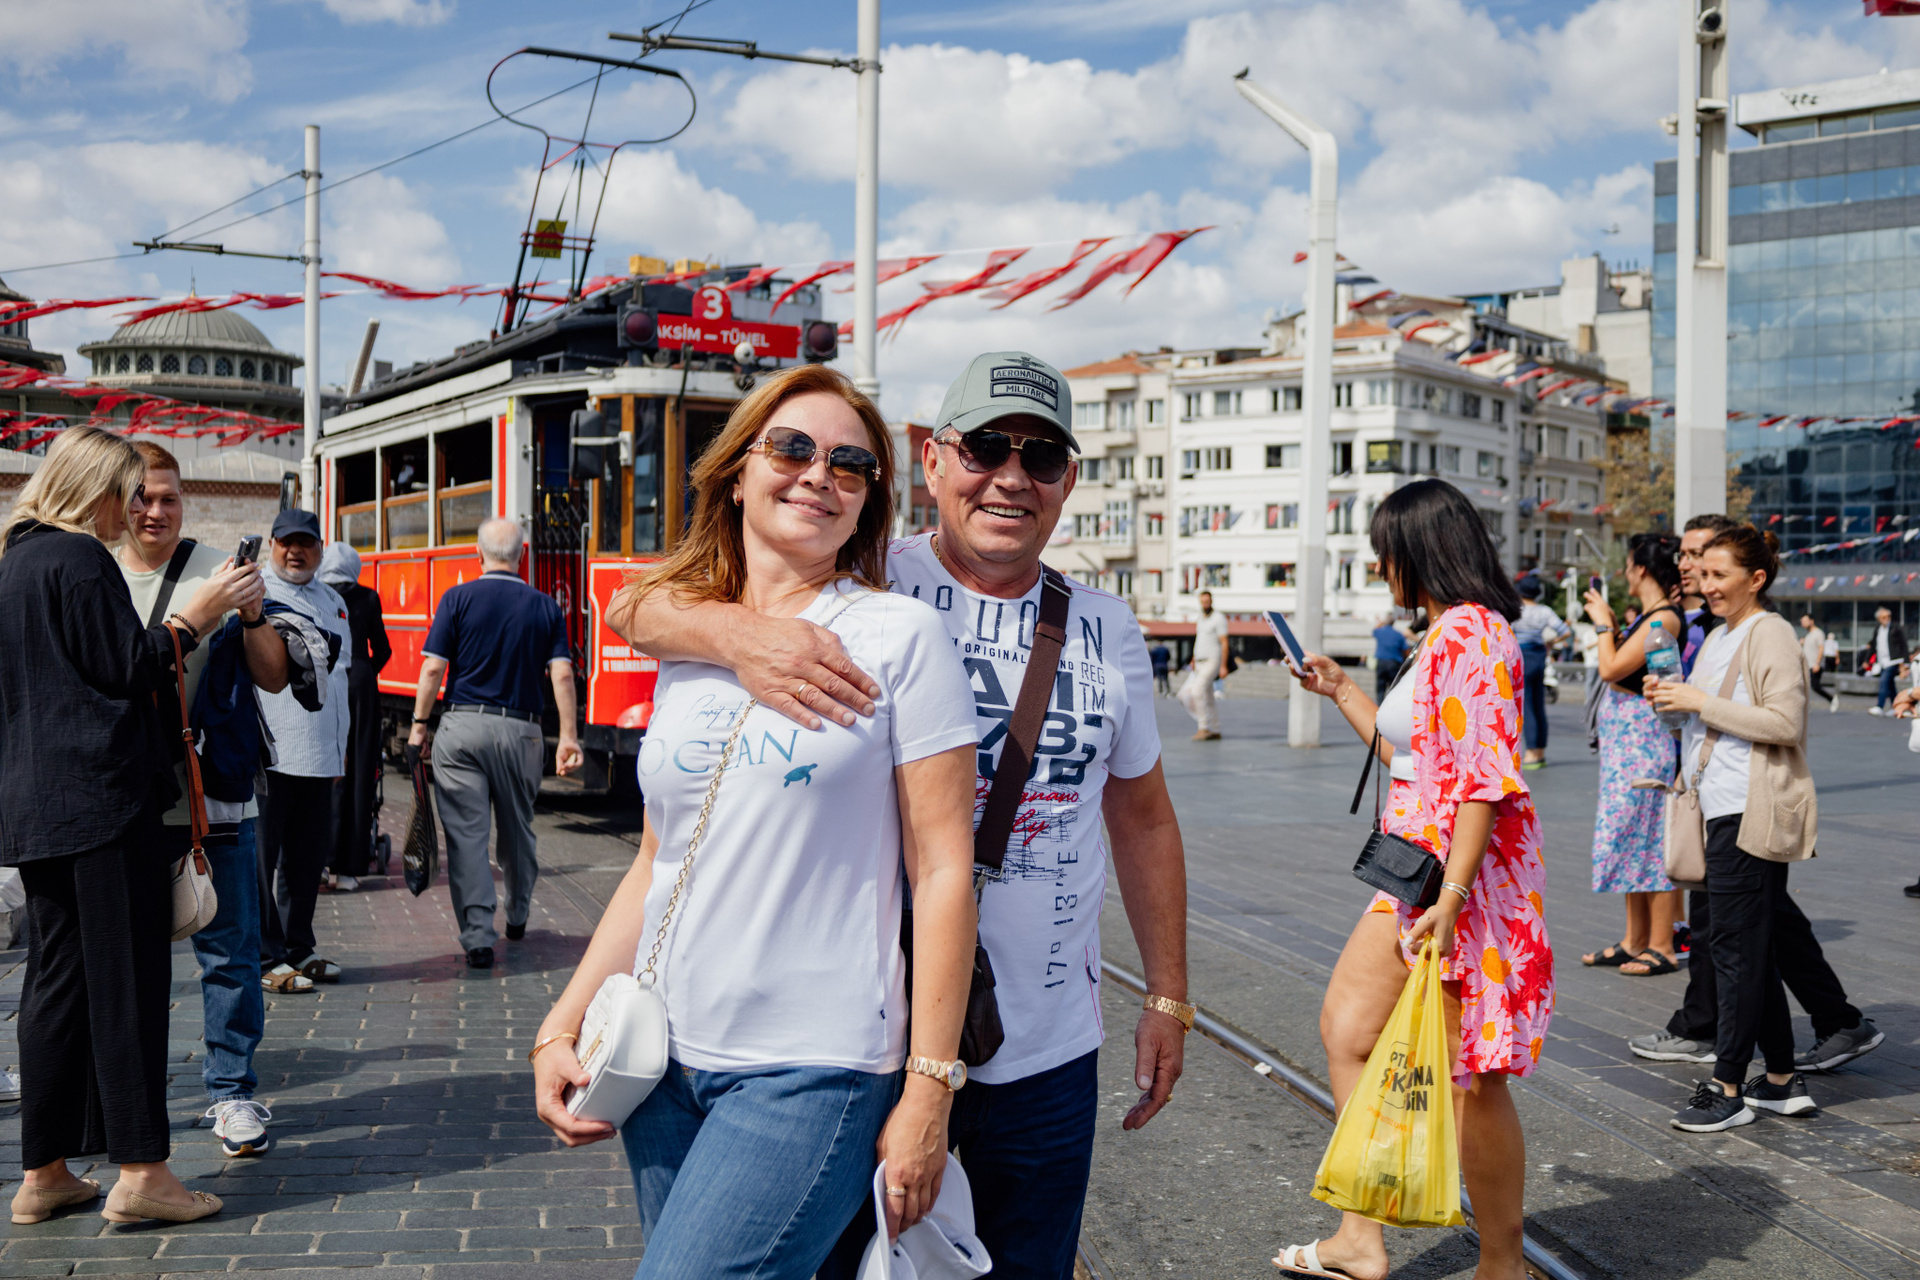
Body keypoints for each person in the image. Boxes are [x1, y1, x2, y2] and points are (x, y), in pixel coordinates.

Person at [611, 350, 1191, 1280]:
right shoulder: (869, 574)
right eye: (986, 449)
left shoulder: (1106, 626)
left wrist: (1166, 995)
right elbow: (640, 603)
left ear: (1069, 481)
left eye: (1042, 458)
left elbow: (1146, 820)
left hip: (1044, 1040)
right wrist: (740, 635)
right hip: (881, 1038)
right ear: (933, 461)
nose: (1011, 478)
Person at [531, 365, 979, 1276]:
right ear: (738, 471)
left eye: (851, 465)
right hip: (660, 1061)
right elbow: (657, 861)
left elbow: (942, 870)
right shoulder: (692, 638)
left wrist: (930, 1087)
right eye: (793, 448)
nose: (819, 474)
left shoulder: (900, 636)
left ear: (868, 500)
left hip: (815, 1066)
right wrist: (562, 1022)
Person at [1278, 479, 1547, 1280]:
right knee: (1349, 1031)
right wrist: (1342, 690)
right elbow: (1418, 760)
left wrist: (1454, 899)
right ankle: (1360, 1236)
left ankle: (1501, 1264)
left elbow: (1483, 782)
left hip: (1458, 886)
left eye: (1384, 551)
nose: (1378, 566)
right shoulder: (1445, 632)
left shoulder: (1473, 633)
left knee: (1471, 1080)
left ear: (1420, 550)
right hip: (1415, 876)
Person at [0, 425, 257, 1225]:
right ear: (94, 490)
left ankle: (44, 1172)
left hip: (36, 804)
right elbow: (132, 667)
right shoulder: (81, 559)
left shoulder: (15, 561)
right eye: (125, 492)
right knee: (129, 987)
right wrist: (194, 618)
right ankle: (144, 1173)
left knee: (53, 984)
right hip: (105, 802)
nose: (130, 510)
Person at [1651, 526, 1880, 1130]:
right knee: (1754, 947)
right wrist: (1673, 703)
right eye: (1703, 573)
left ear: (1756, 578)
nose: (1707, 584)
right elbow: (1710, 723)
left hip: (1750, 809)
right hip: (1718, 806)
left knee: (1733, 952)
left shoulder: (1770, 631)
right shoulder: (1719, 635)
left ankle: (1727, 1086)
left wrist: (1698, 702)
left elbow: (1785, 723)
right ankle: (1778, 1080)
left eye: (1719, 574)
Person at [116, 443, 288, 1158]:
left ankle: (231, 1092)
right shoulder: (94, 569)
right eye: (142, 497)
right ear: (119, 500)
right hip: (123, 799)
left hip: (210, 795)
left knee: (230, 953)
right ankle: (127, 1100)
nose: (156, 511)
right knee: (126, 961)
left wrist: (251, 615)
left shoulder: (219, 568)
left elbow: (273, 677)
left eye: (169, 498)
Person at [408, 518, 582, 968]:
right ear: (522, 555)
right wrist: (567, 736)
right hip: (521, 731)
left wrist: (419, 726)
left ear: (478, 554)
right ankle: (518, 914)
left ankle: (478, 937)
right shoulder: (545, 606)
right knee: (518, 828)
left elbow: (432, 669)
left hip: (462, 728)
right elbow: (562, 674)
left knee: (467, 837)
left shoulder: (457, 598)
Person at [1578, 535, 1685, 978]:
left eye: (1627, 565)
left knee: (1650, 839)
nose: (1625, 573)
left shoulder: (1664, 618)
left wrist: (1603, 624)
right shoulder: (1651, 616)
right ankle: (1634, 939)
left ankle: (1662, 944)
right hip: (1628, 744)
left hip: (1644, 742)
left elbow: (1610, 668)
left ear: (1641, 568)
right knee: (1630, 835)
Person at [257, 509, 352, 990]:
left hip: (320, 755)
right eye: (286, 542)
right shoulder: (255, 592)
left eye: (306, 543)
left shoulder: (334, 600)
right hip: (271, 753)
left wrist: (341, 748)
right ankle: (264, 956)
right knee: (262, 859)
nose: (296, 551)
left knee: (306, 860)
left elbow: (341, 678)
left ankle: (299, 947)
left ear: (320, 548)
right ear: (272, 544)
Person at [320, 542, 390, 890]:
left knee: (322, 769)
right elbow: (384, 650)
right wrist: (363, 672)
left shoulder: (315, 594)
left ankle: (318, 861)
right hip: (360, 689)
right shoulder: (368, 598)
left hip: (323, 682)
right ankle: (348, 870)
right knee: (360, 773)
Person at [1512, 575, 1570, 769]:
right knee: (1539, 705)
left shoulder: (1516, 609)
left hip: (1522, 657)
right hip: (1539, 656)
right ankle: (1540, 751)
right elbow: (1565, 631)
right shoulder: (1545, 611)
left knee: (1526, 706)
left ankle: (1531, 752)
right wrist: (1551, 642)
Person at [1180, 589, 1229, 740]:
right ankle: (1215, 728)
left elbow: (1224, 642)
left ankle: (1203, 727)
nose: (1205, 604)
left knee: (1196, 692)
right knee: (1208, 697)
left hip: (1212, 660)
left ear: (1211, 601)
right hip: (1199, 661)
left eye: (1207, 601)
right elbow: (1199, 640)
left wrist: (1223, 665)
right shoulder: (1200, 618)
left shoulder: (1218, 618)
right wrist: (1194, 658)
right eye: (1202, 601)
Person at [1865, 606, 1910, 716]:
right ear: (1879, 618)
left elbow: (1904, 645)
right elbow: (1873, 646)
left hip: (1894, 661)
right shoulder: (1878, 629)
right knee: (1890, 685)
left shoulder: (1896, 628)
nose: (1886, 619)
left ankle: (1879, 706)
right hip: (1882, 662)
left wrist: (1906, 662)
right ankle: (1896, 707)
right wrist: (1867, 660)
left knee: (1884, 681)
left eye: (1888, 616)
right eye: (1883, 617)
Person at [1800, 614, 1838, 712]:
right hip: (1806, 665)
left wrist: (1817, 663)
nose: (1803, 623)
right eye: (1802, 621)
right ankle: (1806, 706)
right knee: (1803, 686)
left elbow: (1821, 648)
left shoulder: (1818, 633)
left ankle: (1832, 699)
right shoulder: (1807, 635)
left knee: (1815, 686)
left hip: (1815, 665)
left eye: (1805, 621)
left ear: (1811, 621)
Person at [1371, 612, 1410, 702]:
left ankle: (1379, 705)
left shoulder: (1379, 632)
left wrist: (1381, 622)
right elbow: (1406, 650)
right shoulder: (1399, 635)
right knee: (1392, 687)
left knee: (1380, 687)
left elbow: (1374, 630)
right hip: (1393, 663)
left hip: (1381, 662)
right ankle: (1390, 704)